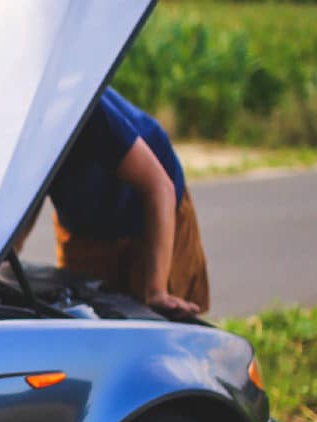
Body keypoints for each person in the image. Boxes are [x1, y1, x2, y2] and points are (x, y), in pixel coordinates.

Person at [18, 88, 209, 317]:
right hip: (84, 225)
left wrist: (157, 290)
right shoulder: (13, 127)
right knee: (82, 317)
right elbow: (29, 193)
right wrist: (9, 253)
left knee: (159, 319)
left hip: (152, 211)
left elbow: (159, 186)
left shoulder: (84, 108)